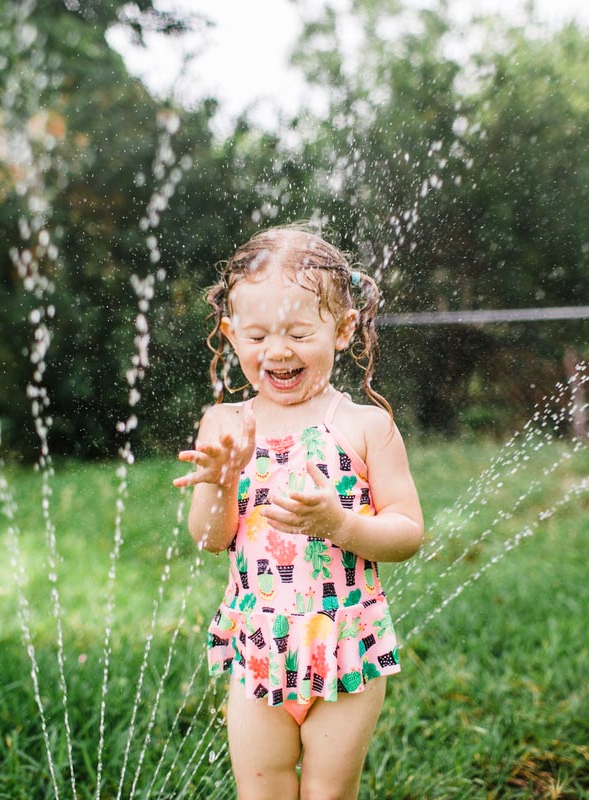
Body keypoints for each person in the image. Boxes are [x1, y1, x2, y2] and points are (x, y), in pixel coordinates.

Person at [173, 225, 424, 799]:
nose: (277, 350)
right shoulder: (225, 428)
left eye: (298, 333)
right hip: (259, 646)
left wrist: (338, 524)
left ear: (343, 330)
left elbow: (407, 533)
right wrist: (221, 481)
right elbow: (211, 538)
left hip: (345, 649)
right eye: (257, 335)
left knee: (329, 792)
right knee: (260, 789)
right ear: (230, 335)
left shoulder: (365, 428)